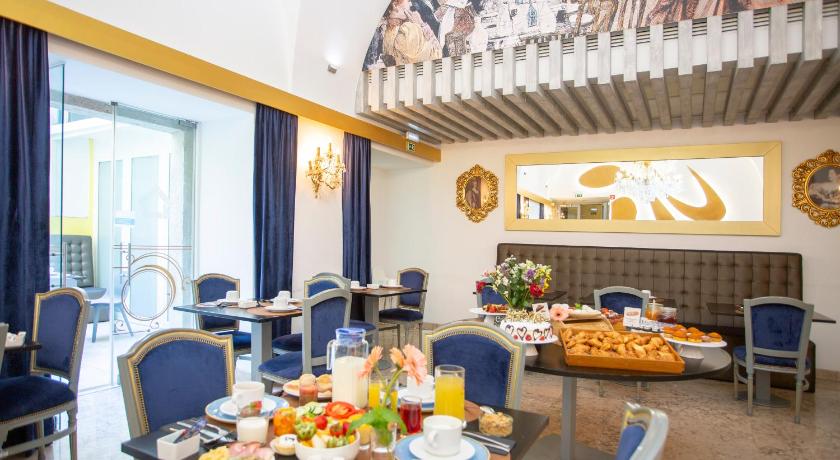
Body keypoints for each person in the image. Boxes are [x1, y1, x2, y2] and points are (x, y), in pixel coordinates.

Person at [382, 0, 443, 66]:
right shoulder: (407, 29)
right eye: (407, 2)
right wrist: (421, 24)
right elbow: (437, 54)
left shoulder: (398, 29)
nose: (410, 6)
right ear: (395, 5)